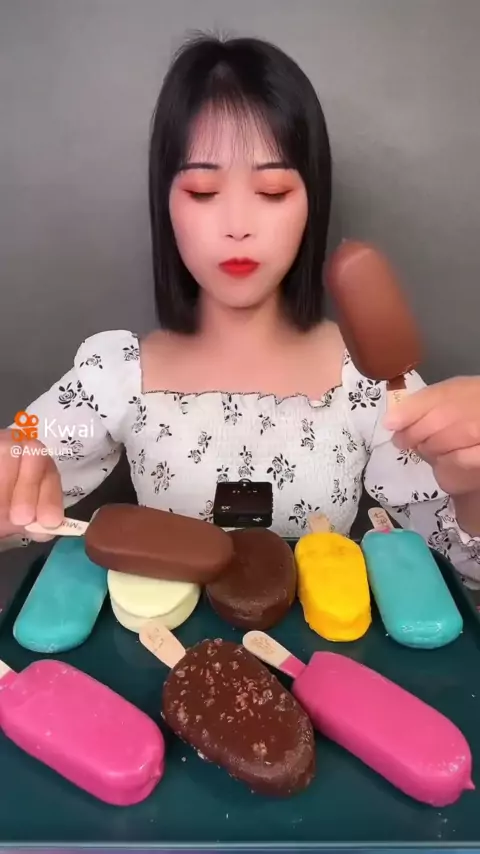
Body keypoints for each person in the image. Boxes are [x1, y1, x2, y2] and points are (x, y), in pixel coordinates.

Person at [1, 34, 479, 581]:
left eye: (272, 191)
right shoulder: (118, 374)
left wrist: (475, 490)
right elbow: (30, 441)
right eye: (203, 192)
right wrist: (13, 453)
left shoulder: (370, 382)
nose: (237, 226)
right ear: (166, 202)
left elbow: (467, 565)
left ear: (312, 202)